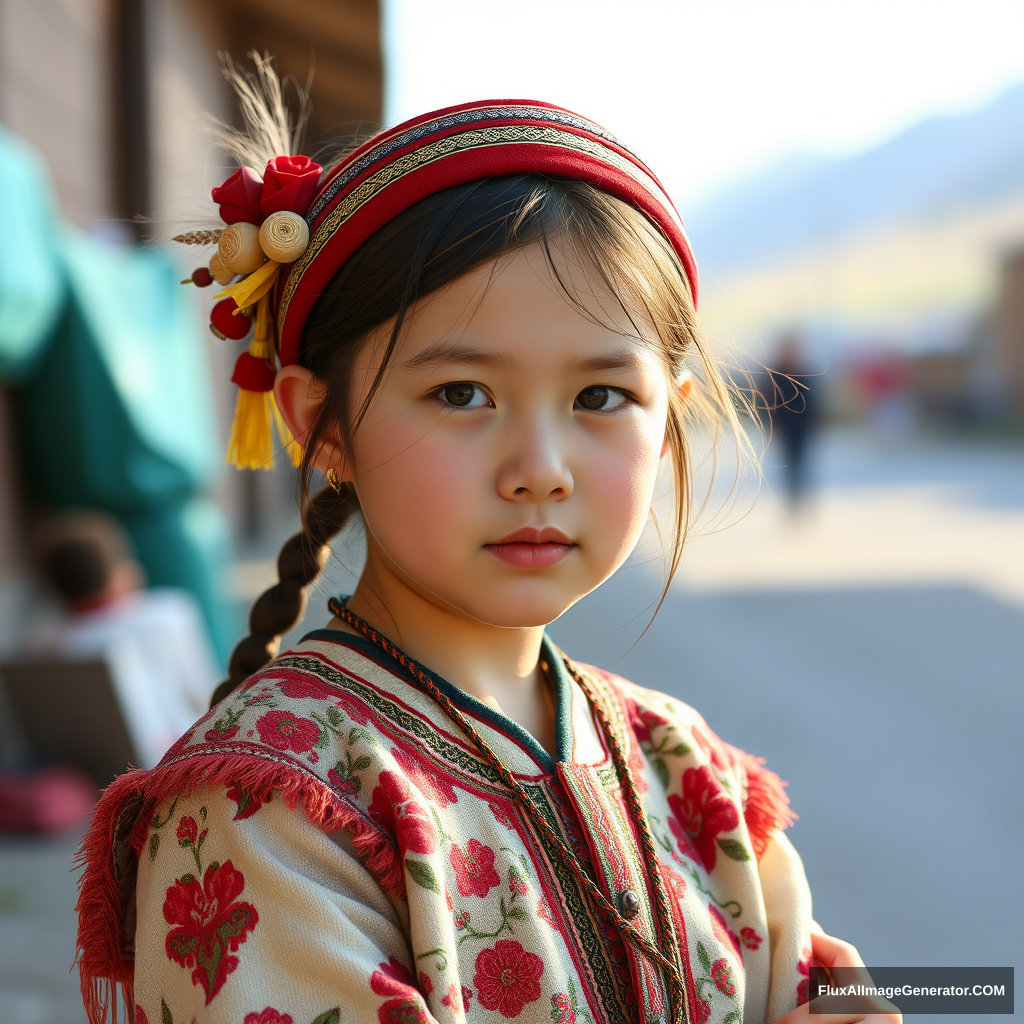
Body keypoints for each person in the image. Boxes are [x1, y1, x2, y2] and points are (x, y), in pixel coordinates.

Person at [75, 60, 899, 1024]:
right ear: (321, 425)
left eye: (601, 397)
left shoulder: (690, 771)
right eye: (462, 393)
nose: (540, 467)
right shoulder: (268, 815)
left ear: (667, 422)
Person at [30, 510, 218, 768]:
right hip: (179, 761)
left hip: (96, 774)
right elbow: (205, 694)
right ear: (121, 571)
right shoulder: (170, 613)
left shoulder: (45, 645)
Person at [761, 334, 820, 514]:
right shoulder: (775, 374)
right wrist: (771, 424)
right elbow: (767, 401)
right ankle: (792, 501)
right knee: (789, 462)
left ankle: (800, 500)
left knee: (801, 462)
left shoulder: (804, 371)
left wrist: (815, 421)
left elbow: (813, 400)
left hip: (801, 426)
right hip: (785, 426)